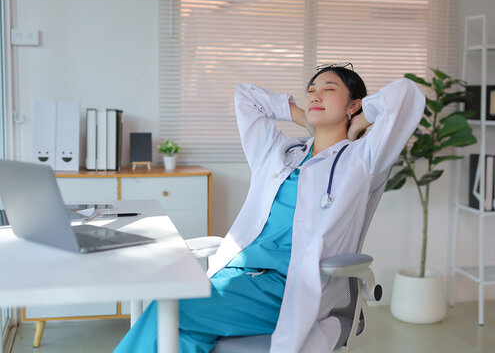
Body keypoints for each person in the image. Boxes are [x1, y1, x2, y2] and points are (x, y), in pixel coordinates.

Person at [114, 63, 425, 353]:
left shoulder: (362, 159)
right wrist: (303, 117)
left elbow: (407, 95)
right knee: (181, 336)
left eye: (328, 89)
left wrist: (361, 121)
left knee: (168, 311)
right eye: (311, 89)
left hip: (287, 288)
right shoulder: (279, 154)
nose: (314, 94)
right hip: (236, 276)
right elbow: (245, 97)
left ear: (353, 104)